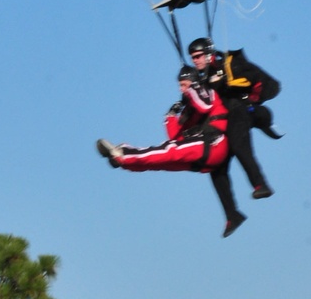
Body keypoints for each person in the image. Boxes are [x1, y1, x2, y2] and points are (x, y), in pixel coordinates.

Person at [97, 67, 247, 238]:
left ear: (192, 82)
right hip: (202, 158)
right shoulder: (191, 105)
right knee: (162, 162)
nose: (180, 89)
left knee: (167, 151)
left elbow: (205, 106)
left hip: (214, 143)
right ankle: (122, 162)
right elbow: (175, 136)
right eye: (180, 86)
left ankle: (123, 151)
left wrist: (191, 91)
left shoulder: (204, 91)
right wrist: (170, 115)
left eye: (183, 85)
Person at [187, 38, 280, 201]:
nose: (195, 60)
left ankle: (261, 185)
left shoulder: (229, 65)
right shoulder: (203, 79)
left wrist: (228, 83)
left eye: (198, 56)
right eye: (193, 57)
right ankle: (232, 215)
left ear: (208, 55)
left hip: (239, 112)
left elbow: (261, 81)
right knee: (215, 165)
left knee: (240, 146)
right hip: (222, 120)